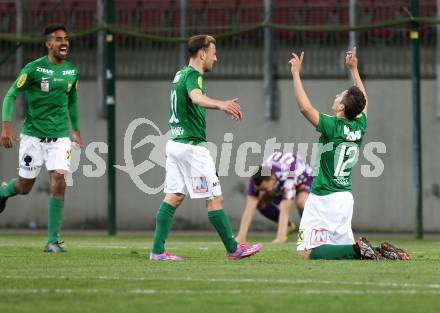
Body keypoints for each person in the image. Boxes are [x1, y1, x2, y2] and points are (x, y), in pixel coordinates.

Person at [289, 47, 410, 260]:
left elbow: (305, 109)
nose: (337, 95)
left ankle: (358, 250)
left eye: (341, 95)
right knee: (342, 251)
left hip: (323, 198)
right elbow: (364, 102)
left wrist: (296, 74)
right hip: (344, 198)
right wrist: (354, 70)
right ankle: (374, 252)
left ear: (342, 107)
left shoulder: (332, 125)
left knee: (305, 253)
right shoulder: (359, 126)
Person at [149, 35, 262, 261]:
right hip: (192, 148)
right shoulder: (193, 75)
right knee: (214, 199)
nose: (216, 57)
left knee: (174, 196)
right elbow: (196, 97)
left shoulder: (180, 73)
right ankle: (233, 249)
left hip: (175, 144)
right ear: (202, 53)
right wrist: (221, 104)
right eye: (213, 52)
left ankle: (158, 251)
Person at [0, 24, 82, 253]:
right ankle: (4, 192)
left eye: (66, 38)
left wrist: (76, 130)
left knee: (59, 179)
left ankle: (52, 241)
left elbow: (73, 101)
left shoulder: (71, 71)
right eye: (58, 39)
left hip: (59, 138)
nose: (64, 42)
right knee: (25, 186)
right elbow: (10, 95)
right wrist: (6, 128)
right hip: (32, 137)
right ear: (48, 44)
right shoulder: (34, 69)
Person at [235, 152, 313, 244]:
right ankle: (288, 226)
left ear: (272, 179)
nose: (263, 191)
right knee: (261, 203)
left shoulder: (288, 179)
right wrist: (241, 237)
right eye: (260, 189)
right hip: (281, 176)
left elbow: (285, 211)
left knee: (301, 203)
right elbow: (249, 208)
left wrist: (280, 238)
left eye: (264, 188)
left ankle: (309, 235)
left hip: (305, 178)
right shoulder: (256, 178)